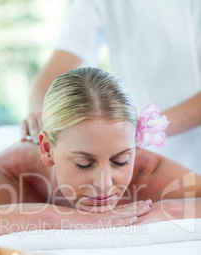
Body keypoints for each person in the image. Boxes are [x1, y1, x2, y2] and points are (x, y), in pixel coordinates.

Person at [0, 68, 200, 237]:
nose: (105, 184)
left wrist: (168, 210)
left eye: (120, 161)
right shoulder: (9, 174)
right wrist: (54, 215)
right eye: (84, 164)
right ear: (47, 150)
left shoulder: (146, 170)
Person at [21, 0, 201, 172]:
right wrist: (44, 120)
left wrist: (138, 130)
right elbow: (51, 74)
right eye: (83, 163)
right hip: (138, 155)